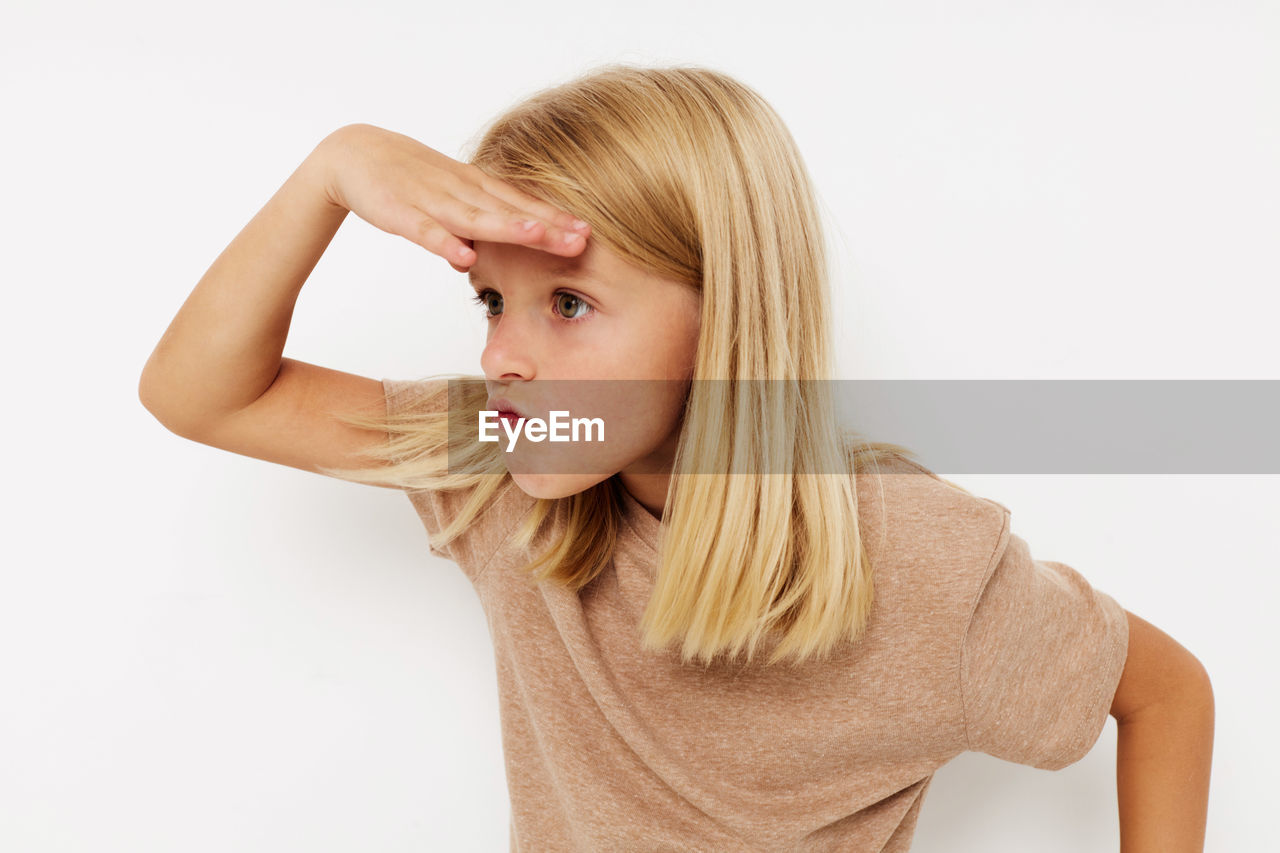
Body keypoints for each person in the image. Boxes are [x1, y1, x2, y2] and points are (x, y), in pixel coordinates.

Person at [139, 64, 1213, 851]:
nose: (502, 354)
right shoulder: (512, 462)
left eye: (567, 302)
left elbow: (1163, 694)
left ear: (727, 320)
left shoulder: (920, 560)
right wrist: (331, 170)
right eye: (489, 299)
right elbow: (203, 393)